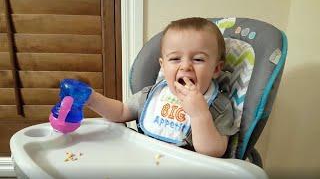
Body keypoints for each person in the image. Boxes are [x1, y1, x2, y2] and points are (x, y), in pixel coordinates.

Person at [86, 17, 238, 157]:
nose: (185, 66)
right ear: (163, 67)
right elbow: (120, 112)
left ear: (216, 69)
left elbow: (214, 153)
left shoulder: (219, 106)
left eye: (198, 59)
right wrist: (91, 98)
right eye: (175, 58)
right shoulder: (152, 94)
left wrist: (200, 115)